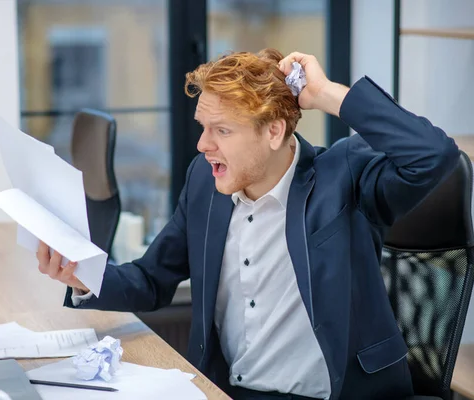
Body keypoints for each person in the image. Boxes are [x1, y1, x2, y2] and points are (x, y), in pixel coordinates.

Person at [36, 49, 459, 400]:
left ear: (274, 131)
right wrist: (83, 275)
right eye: (204, 127)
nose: (203, 145)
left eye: (222, 130)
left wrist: (328, 94)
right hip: (227, 393)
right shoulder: (205, 180)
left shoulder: (342, 178)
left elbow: (433, 155)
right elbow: (151, 278)